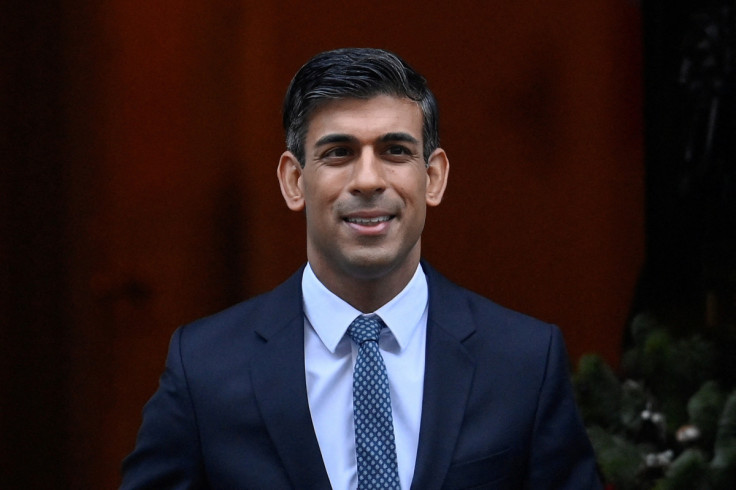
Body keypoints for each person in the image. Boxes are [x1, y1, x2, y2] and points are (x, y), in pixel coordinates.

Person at [121, 48, 602, 489]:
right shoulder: (204, 367)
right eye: (339, 153)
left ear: (433, 178)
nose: (368, 180)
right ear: (294, 181)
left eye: (395, 151)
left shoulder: (523, 362)